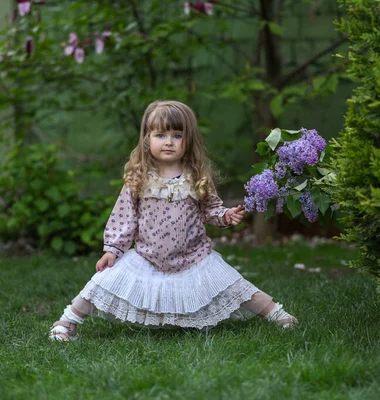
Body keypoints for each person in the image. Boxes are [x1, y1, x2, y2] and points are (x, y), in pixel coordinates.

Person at [49, 100, 298, 341]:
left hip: (194, 257)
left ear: (188, 140)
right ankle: (67, 321)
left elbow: (210, 209)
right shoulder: (139, 178)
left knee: (234, 286)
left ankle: (278, 314)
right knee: (102, 283)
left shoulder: (196, 176)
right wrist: (112, 250)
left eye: (177, 135)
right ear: (147, 139)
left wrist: (225, 216)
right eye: (160, 135)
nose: (168, 142)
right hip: (147, 256)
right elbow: (124, 218)